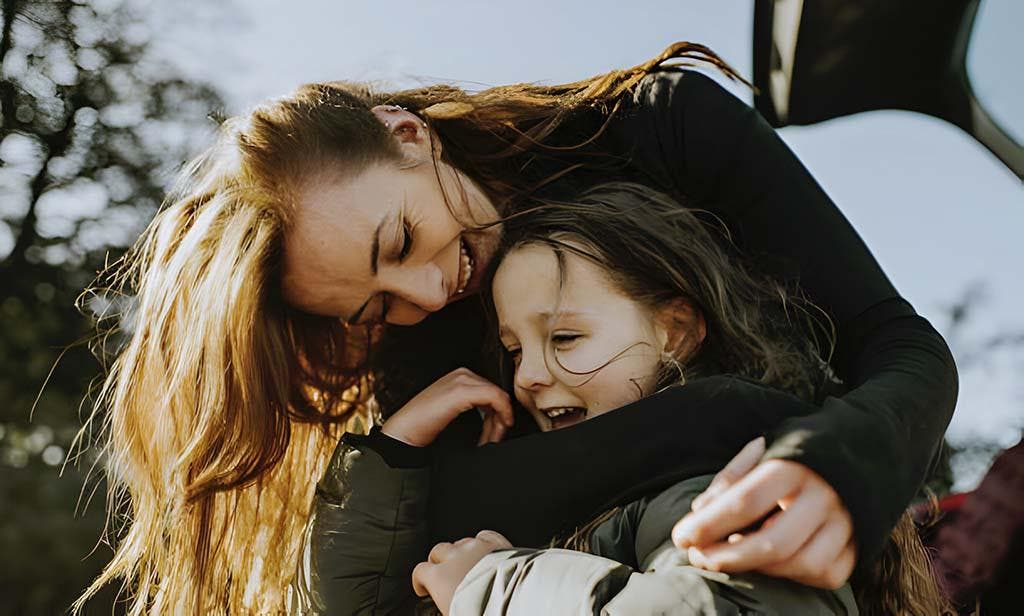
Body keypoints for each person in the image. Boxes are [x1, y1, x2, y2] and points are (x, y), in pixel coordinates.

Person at [74, 43, 957, 614]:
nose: (427, 291)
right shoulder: (419, 340)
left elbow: (901, 351)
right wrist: (389, 460)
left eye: (402, 238)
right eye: (373, 307)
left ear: (409, 135)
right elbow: (433, 547)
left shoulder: (661, 128)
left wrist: (836, 461)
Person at [314, 183, 949, 615]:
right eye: (514, 350)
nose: (529, 375)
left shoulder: (719, 476)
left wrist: (491, 586)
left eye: (564, 336)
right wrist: (392, 453)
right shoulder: (590, 500)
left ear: (674, 330)